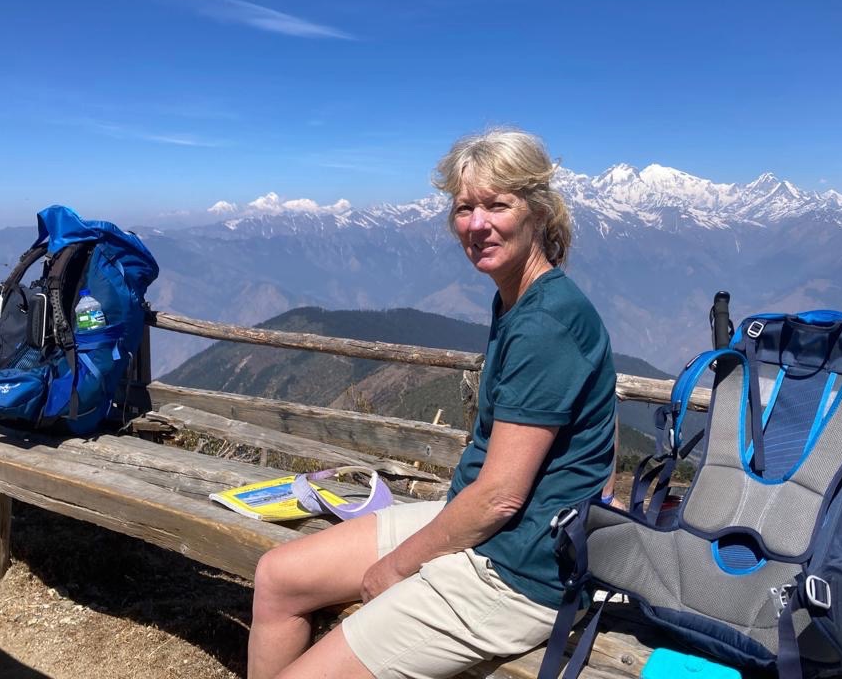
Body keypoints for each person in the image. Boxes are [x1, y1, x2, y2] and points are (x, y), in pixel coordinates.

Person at [247, 128, 618, 679]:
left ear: (538, 212)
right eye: (465, 208)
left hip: (518, 572)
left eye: (497, 204)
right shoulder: (518, 296)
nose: (476, 224)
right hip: (482, 529)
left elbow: (498, 497)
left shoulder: (547, 322)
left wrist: (396, 568)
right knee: (279, 576)